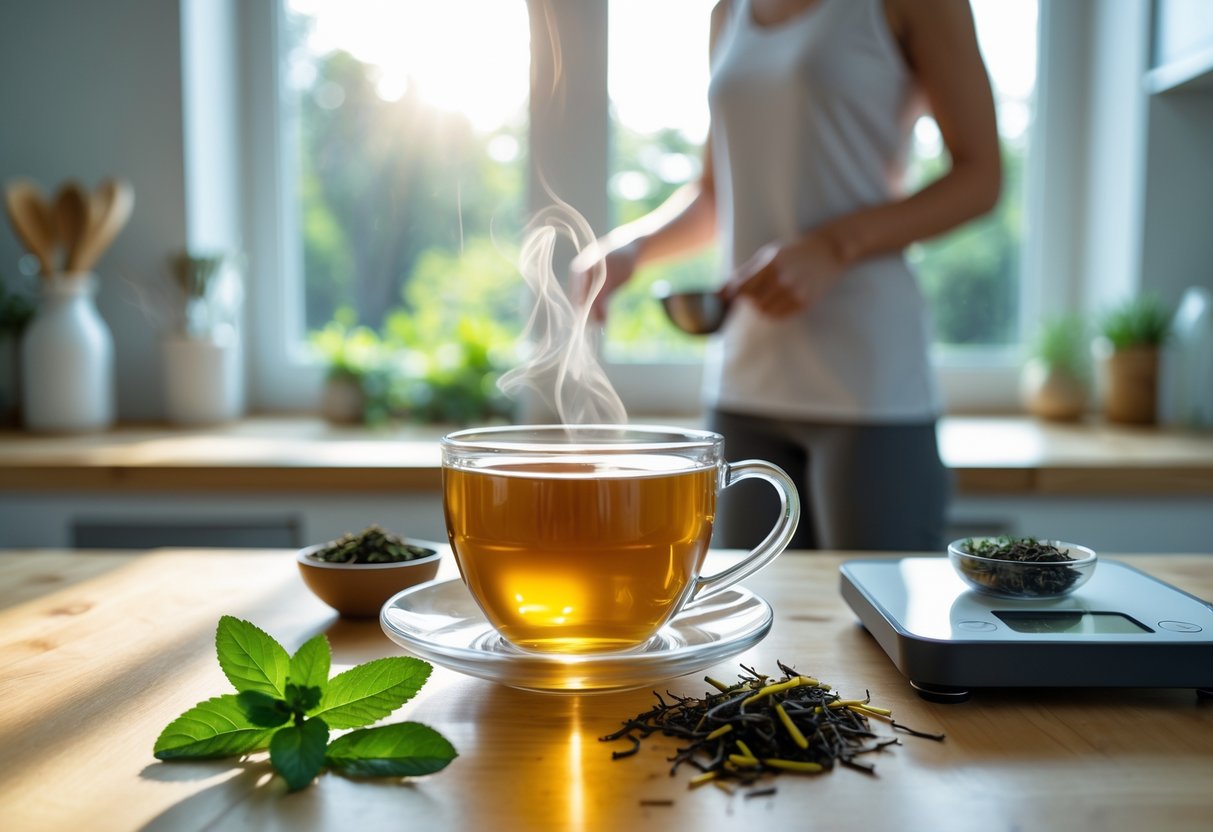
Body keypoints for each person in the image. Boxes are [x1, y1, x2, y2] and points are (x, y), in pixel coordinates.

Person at [570, 0, 1002, 551]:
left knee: (873, 625)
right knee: (756, 618)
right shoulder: (730, 11)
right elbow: (714, 194)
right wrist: (631, 248)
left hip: (869, 385)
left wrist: (833, 246)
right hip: (746, 380)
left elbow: (980, 177)